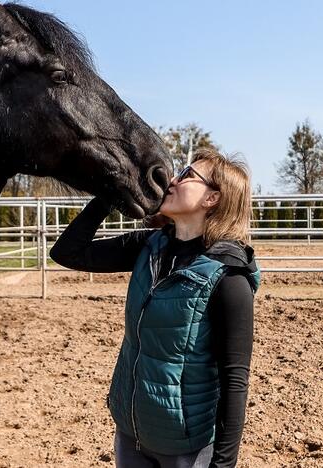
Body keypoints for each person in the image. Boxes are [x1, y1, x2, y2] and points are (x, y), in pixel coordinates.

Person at [50, 148, 260, 468]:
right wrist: (111, 194)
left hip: (185, 447)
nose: (173, 180)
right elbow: (67, 253)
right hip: (131, 432)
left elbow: (235, 379)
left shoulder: (229, 278)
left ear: (212, 199)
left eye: (188, 175)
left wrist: (223, 464)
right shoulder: (149, 246)